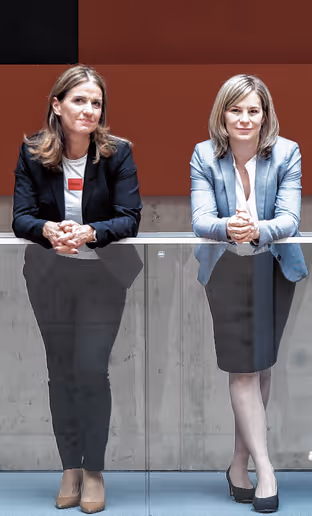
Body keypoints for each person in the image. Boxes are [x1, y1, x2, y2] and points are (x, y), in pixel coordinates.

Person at [12, 64, 143, 514]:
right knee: (61, 372)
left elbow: (129, 218)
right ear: (57, 105)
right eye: (79, 100)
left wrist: (89, 232)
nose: (89, 110)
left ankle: (94, 471)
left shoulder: (117, 153)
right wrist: (48, 229)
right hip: (50, 276)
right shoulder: (33, 152)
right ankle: (70, 466)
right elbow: (21, 217)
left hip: (102, 277)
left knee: (90, 370)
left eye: (96, 103)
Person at [190, 74, 307, 514]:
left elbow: (290, 218)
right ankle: (265, 469)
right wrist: (229, 227)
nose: (244, 118)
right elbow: (201, 219)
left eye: (253, 110)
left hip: (273, 266)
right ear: (222, 114)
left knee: (261, 368)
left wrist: (257, 229)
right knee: (242, 370)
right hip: (226, 266)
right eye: (235, 109)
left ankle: (238, 464)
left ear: (265, 115)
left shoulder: (287, 152)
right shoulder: (204, 154)